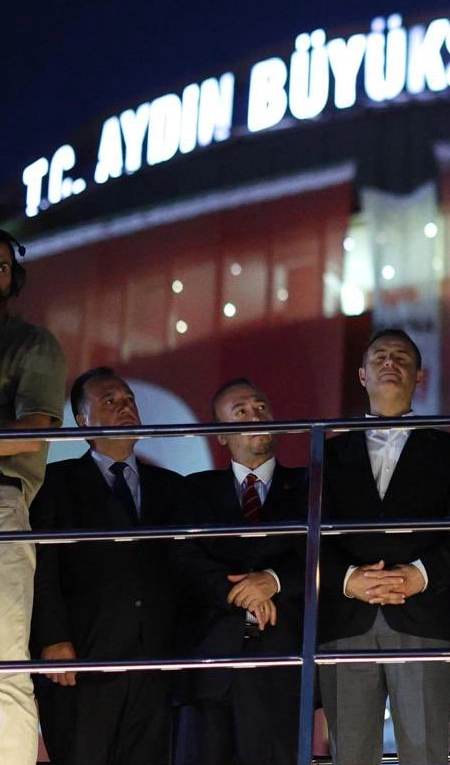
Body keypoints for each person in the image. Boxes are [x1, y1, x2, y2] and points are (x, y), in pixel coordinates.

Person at [319, 330, 450, 765]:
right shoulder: (326, 451)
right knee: (350, 756)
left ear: (419, 375)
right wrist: (349, 579)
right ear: (362, 375)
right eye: (380, 357)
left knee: (425, 755)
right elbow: (311, 537)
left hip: (424, 617)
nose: (390, 363)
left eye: (402, 357)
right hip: (346, 620)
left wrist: (419, 574)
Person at [30, 368, 183, 765]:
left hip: (155, 664)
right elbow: (42, 565)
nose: (125, 407)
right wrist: (52, 637)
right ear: (82, 421)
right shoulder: (54, 482)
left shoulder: (171, 486)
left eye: (129, 399)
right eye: (110, 401)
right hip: (82, 659)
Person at [170, 379, 307, 765]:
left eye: (261, 408)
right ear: (221, 434)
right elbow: (184, 558)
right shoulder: (195, 489)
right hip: (211, 660)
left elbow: (320, 556)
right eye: (241, 412)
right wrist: (242, 592)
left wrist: (273, 581)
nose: (256, 416)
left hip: (282, 661)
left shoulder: (308, 485)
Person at [0, 229, 65, 765]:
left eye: (0, 266)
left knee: (4, 666)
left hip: (0, 501)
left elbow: (33, 432)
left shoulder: (30, 342)